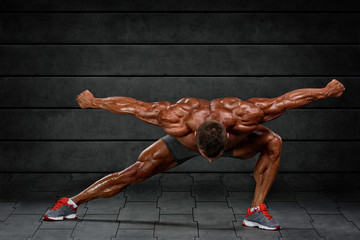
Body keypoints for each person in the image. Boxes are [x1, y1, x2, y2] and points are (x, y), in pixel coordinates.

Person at [43, 79, 345, 230]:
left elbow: (286, 101)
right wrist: (95, 102)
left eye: (212, 156)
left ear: (228, 134)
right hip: (189, 145)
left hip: (240, 145)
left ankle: (256, 210)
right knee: (134, 172)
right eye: (206, 155)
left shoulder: (246, 115)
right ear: (195, 138)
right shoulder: (174, 117)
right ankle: (69, 203)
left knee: (274, 141)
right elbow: (133, 106)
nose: (210, 162)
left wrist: (324, 91)